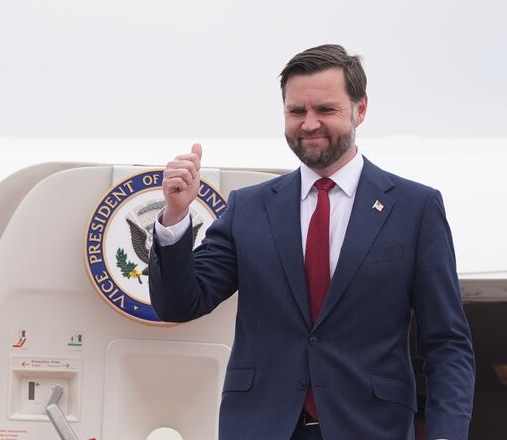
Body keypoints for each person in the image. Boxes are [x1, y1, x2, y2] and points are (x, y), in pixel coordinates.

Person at [149, 44, 475, 440]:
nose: (309, 124)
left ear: (361, 109)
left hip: (370, 429)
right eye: (296, 111)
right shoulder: (249, 207)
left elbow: (447, 344)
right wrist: (175, 217)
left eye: (325, 110)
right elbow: (180, 304)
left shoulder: (415, 208)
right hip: (259, 427)